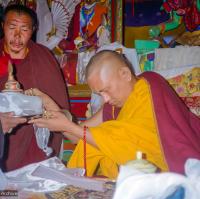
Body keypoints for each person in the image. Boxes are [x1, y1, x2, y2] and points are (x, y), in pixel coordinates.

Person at [29, 50, 200, 179]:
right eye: (100, 94)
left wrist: (68, 126)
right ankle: (72, 185)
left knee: (106, 132)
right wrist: (50, 106)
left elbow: (140, 141)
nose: (106, 99)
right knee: (98, 137)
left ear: (125, 74)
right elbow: (80, 134)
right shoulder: (113, 106)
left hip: (168, 168)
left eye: (106, 90)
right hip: (129, 172)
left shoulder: (150, 86)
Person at [0, 4, 69, 171]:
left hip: (35, 140)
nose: (17, 36)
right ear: (2, 26)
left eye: (24, 29)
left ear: (33, 30)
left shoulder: (43, 56)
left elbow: (58, 103)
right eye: (12, 27)